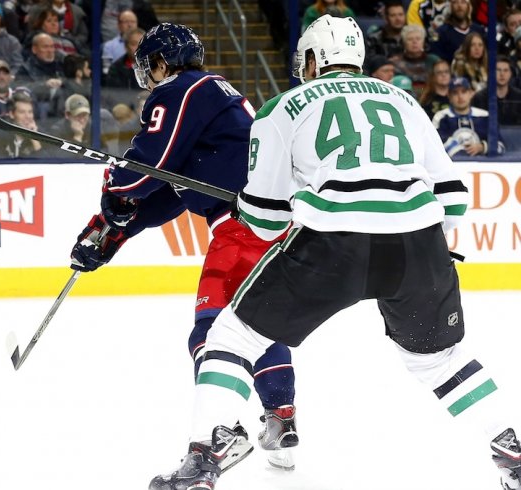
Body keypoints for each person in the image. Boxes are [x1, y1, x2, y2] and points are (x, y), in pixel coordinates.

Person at [149, 16, 521, 490]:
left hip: (331, 242)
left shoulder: (281, 107)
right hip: (419, 243)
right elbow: (452, 198)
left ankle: (205, 456)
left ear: (312, 59)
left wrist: (258, 206)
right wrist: (415, 234)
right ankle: (514, 453)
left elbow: (263, 219)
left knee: (231, 338)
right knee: (440, 361)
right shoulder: (405, 100)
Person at [70, 23, 299, 475]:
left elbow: (147, 165)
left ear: (161, 62)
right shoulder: (211, 102)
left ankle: (220, 431)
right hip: (271, 225)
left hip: (242, 227)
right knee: (254, 324)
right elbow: (168, 191)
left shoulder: (179, 89)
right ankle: (281, 416)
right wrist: (111, 231)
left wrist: (115, 192)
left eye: (148, 66)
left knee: (213, 334)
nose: (148, 77)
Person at [433, 76, 505, 157]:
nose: (460, 97)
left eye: (464, 92)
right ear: (449, 96)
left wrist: (482, 147)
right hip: (453, 165)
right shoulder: (441, 117)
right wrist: (463, 153)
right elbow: (436, 145)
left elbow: (500, 145)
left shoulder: (485, 116)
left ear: (471, 93)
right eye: (455, 93)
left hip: (483, 165)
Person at [471, 55, 521, 125]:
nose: (502, 74)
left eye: (506, 70)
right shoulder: (479, 98)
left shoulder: (518, 97)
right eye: (498, 70)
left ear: (511, 74)